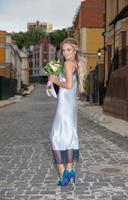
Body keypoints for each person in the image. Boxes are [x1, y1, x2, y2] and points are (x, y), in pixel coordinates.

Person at [49, 37, 85, 186]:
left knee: (55, 137)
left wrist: (55, 80)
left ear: (75, 50)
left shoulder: (68, 64)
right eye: (63, 50)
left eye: (68, 50)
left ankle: (65, 173)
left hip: (64, 106)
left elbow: (68, 85)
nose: (65, 53)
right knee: (68, 137)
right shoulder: (75, 63)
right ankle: (69, 171)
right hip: (69, 105)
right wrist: (55, 80)